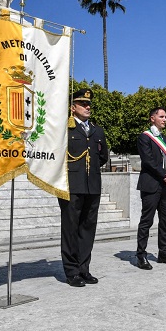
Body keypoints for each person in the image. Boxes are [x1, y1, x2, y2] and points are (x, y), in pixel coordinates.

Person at [58, 89, 109, 287]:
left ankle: (83, 268)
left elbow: (102, 156)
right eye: (82, 104)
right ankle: (71, 271)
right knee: (70, 228)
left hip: (92, 185)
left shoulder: (98, 131)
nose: (87, 107)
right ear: (73, 107)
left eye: (89, 104)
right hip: (72, 185)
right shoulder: (66, 129)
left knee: (88, 228)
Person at [136, 107, 166, 270]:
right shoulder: (144, 137)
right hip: (151, 184)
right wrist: (165, 174)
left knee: (165, 220)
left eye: (165, 117)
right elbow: (148, 161)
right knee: (146, 221)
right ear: (152, 118)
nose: (165, 119)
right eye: (161, 116)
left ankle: (163, 252)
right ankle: (141, 255)